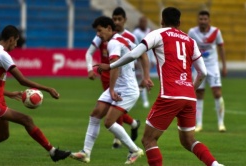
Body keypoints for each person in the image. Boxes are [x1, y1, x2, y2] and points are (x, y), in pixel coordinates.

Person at [95, 7, 224, 166]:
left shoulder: (157, 34)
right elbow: (202, 72)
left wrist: (110, 66)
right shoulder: (190, 40)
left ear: (162, 21)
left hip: (170, 94)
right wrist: (190, 89)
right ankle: (215, 164)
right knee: (189, 141)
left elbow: (134, 54)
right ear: (179, 22)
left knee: (148, 139)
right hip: (189, 96)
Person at [0, 25, 71, 163]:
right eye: (16, 41)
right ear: (11, 39)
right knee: (27, 119)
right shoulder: (2, 55)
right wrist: (48, 89)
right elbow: (22, 80)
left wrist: (6, 93)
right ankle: (53, 152)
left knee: (3, 135)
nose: (16, 45)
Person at [71, 16, 150, 164]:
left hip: (127, 89)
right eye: (97, 32)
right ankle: (85, 152)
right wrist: (145, 77)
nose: (98, 35)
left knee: (109, 122)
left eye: (100, 31)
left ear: (109, 28)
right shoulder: (122, 39)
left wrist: (112, 89)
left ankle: (134, 150)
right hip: (121, 86)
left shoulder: (113, 43)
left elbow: (115, 67)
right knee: (95, 115)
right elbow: (143, 54)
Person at [85, 7, 146, 149]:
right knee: (100, 112)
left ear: (124, 20)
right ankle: (86, 151)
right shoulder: (102, 35)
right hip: (107, 76)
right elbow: (90, 53)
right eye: (115, 19)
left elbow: (140, 54)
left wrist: (143, 75)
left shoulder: (127, 38)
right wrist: (90, 69)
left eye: (119, 19)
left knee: (111, 112)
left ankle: (122, 141)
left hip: (121, 79)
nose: (117, 21)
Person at [188, 10, 227, 132]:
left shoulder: (216, 32)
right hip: (198, 66)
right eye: (201, 19)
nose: (203, 21)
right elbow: (188, 49)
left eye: (205, 19)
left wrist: (224, 65)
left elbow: (221, 48)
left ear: (209, 20)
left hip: (212, 66)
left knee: (217, 93)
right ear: (198, 20)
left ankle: (221, 124)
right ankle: (199, 124)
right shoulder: (192, 32)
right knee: (199, 93)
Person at [132, 16, 156, 108]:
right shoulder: (136, 33)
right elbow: (134, 47)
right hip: (139, 60)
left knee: (143, 80)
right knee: (140, 80)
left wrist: (153, 60)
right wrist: (135, 61)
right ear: (139, 22)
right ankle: (141, 100)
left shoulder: (150, 32)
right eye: (142, 22)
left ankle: (141, 100)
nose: (144, 23)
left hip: (148, 60)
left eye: (145, 22)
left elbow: (153, 47)